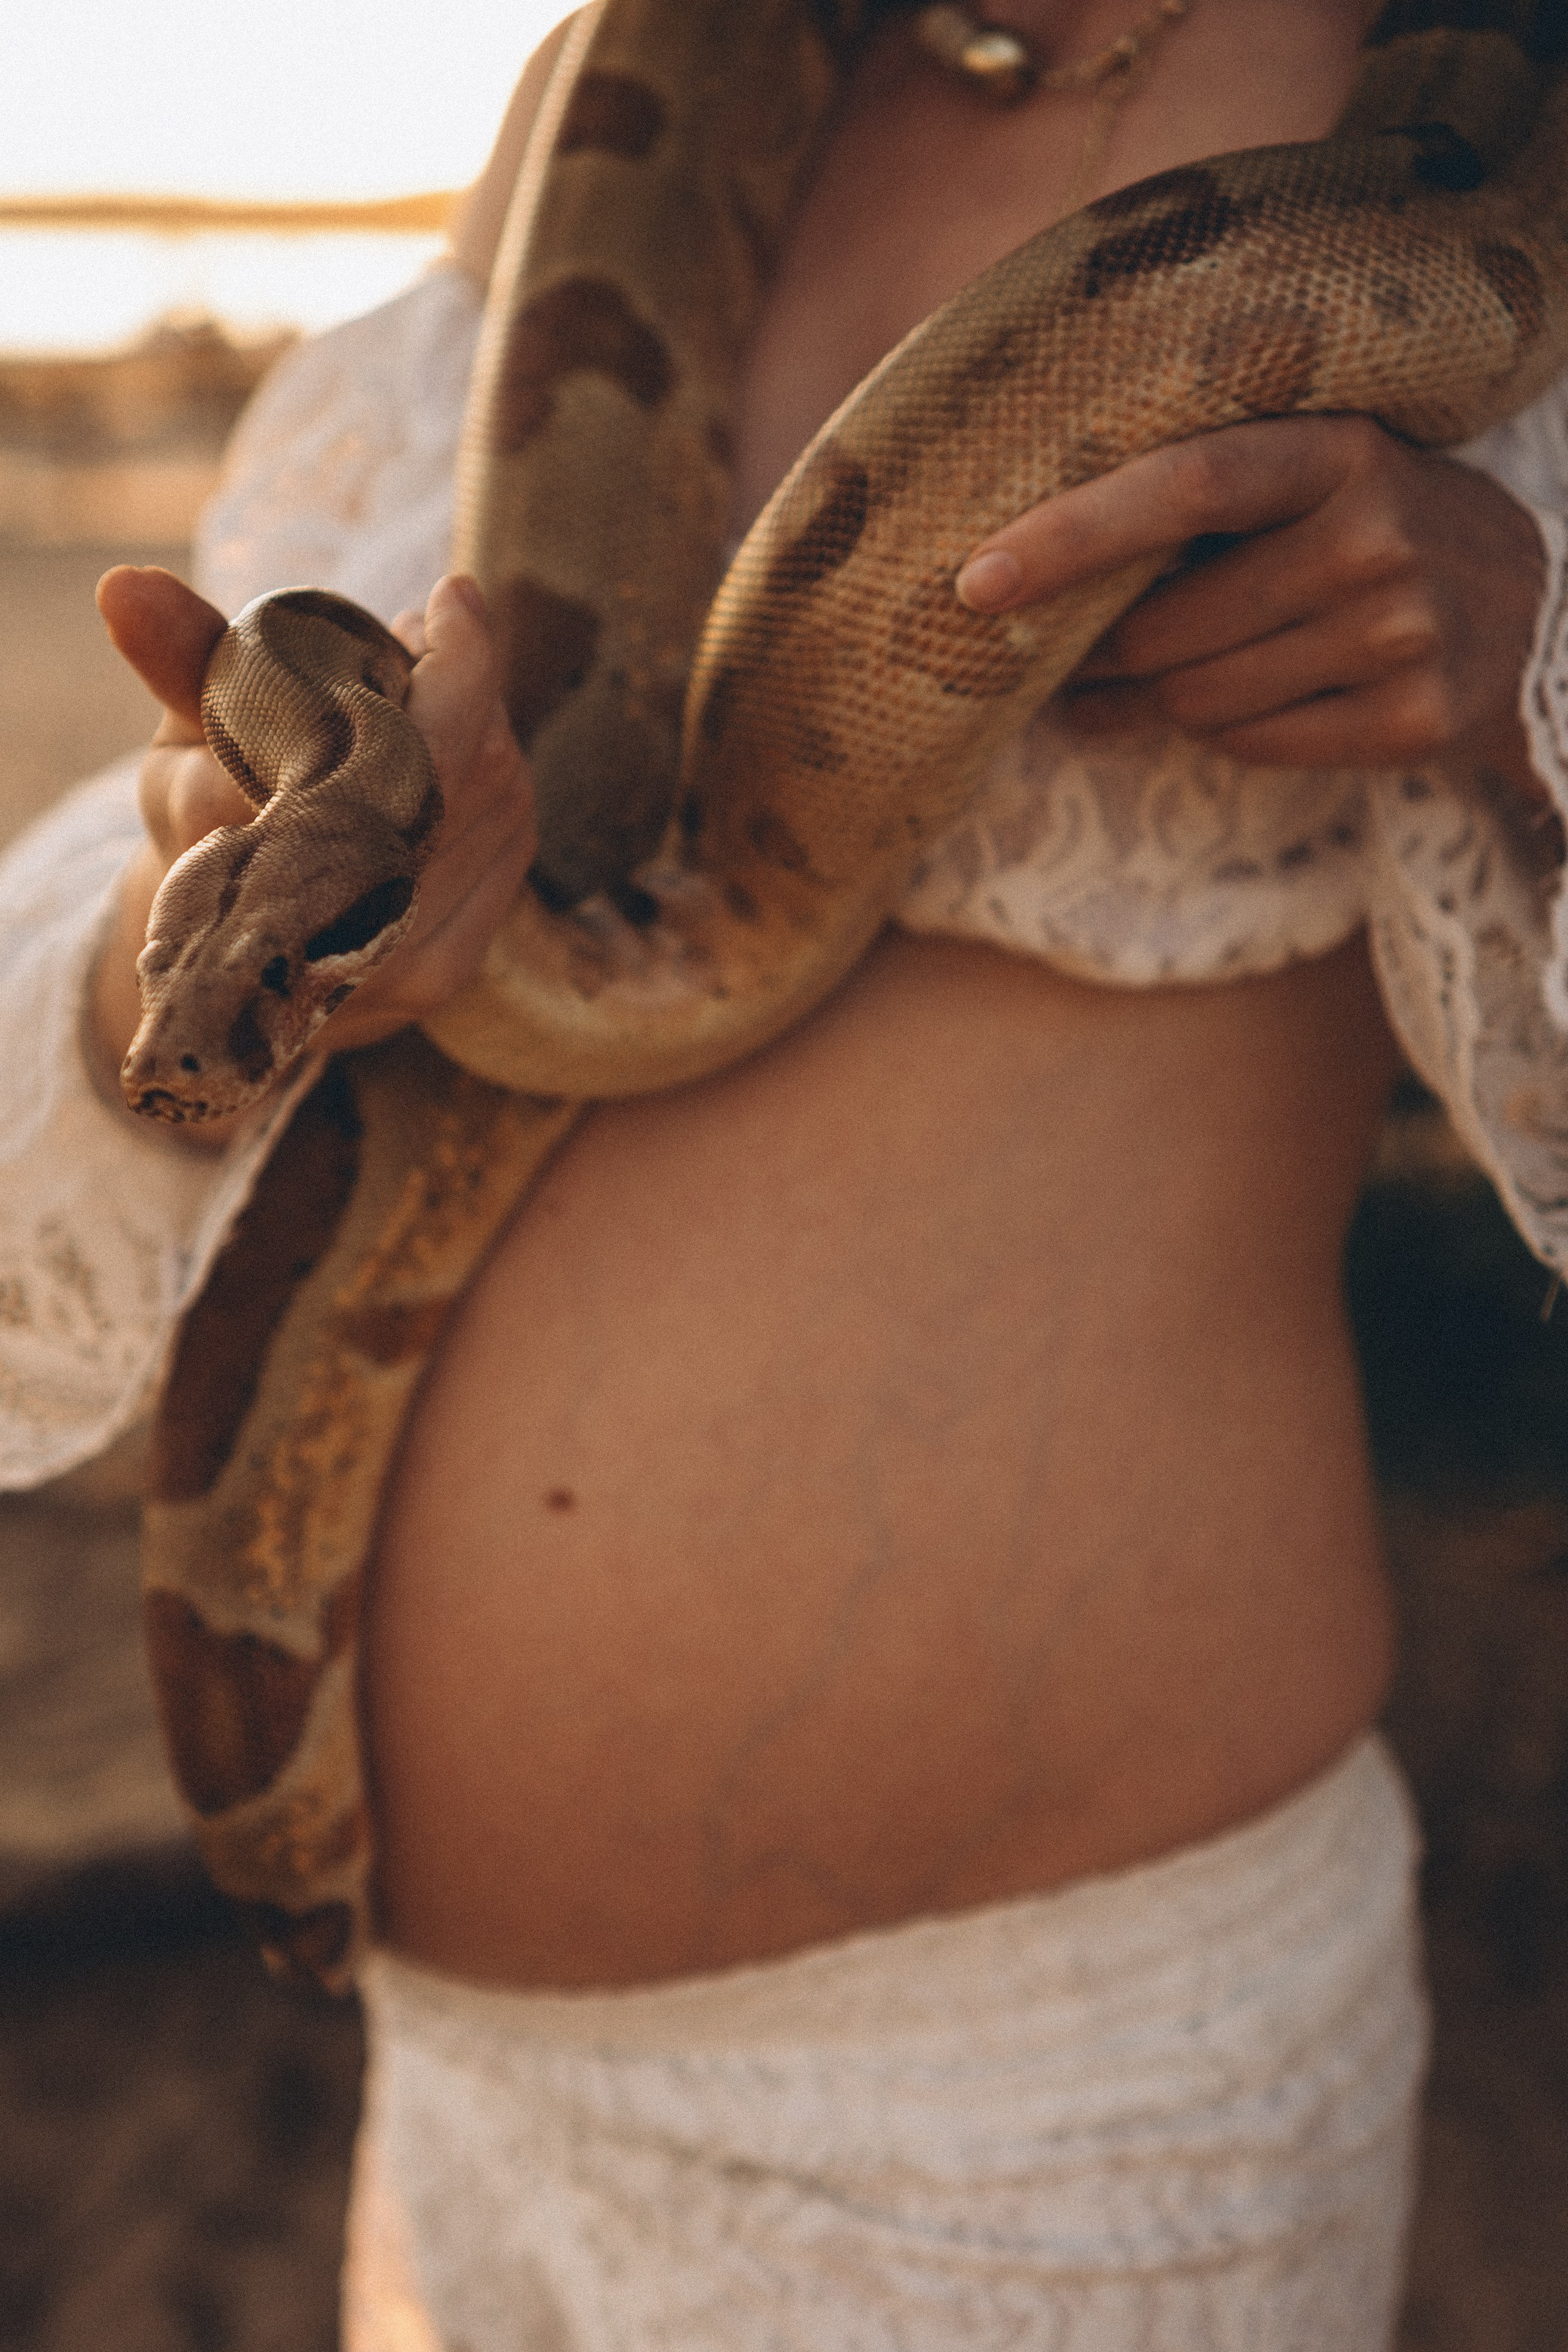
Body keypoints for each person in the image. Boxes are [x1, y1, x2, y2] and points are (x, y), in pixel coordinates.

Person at [6, 1, 1568, 2342]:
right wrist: (221, 882)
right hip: (470, 2102)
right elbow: (211, 916)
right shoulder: (618, 88)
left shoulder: (1474, 108)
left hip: (1050, 2125)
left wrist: (1531, 657)